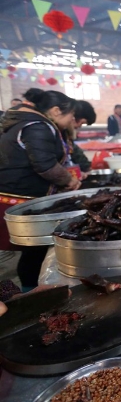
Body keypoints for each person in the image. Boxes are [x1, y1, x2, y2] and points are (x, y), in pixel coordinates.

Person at [0, 88, 81, 290]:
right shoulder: (37, 126)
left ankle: (31, 289)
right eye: (71, 115)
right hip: (22, 198)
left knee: (33, 251)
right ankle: (32, 292)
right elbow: (44, 165)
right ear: (55, 110)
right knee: (33, 250)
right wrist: (69, 181)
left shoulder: (30, 123)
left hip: (21, 194)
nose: (72, 119)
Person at [66, 100, 97, 175]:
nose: (78, 126)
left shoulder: (67, 136)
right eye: (82, 123)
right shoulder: (56, 132)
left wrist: (86, 167)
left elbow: (74, 150)